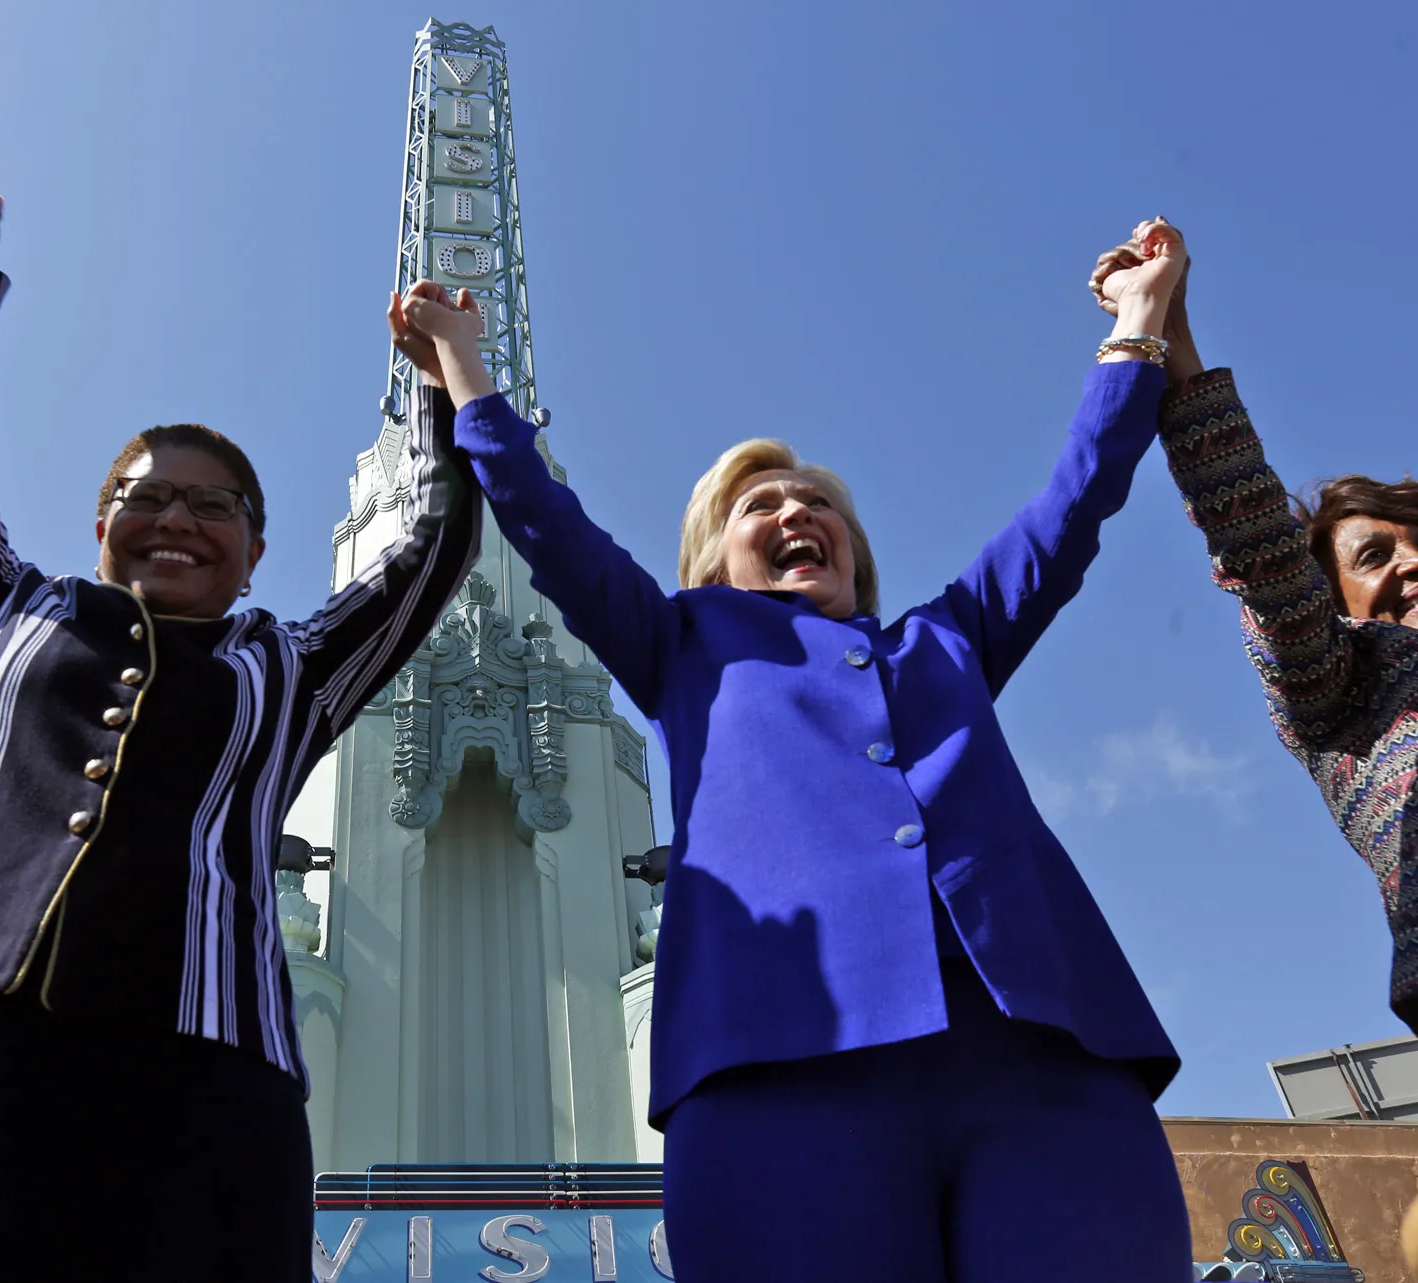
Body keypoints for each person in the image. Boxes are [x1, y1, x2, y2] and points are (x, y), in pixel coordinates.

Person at [389, 222, 1193, 1282]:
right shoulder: (680, 642)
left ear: (855, 553)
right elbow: (543, 517)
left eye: (819, 504)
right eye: (756, 505)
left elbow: (1072, 503)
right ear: (711, 560)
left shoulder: (945, 638)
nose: (795, 509)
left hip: (1038, 1055)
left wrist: (1138, 323)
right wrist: (461, 362)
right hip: (774, 1060)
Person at [0, 197, 481, 1282]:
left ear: (254, 546)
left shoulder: (289, 665)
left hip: (201, 1070)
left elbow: (434, 545)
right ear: (101, 526)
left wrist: (435, 383)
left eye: (213, 505)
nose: (176, 517)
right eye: (147, 495)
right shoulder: (3, 610)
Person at [1097, 236, 1418, 1143]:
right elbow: (1260, 541)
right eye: (1373, 554)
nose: (1417, 558)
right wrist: (1173, 336)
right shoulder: (1345, 681)